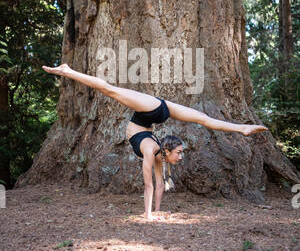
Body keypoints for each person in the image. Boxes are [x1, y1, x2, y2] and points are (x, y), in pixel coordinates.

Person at [42, 63, 268, 220]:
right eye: (178, 152)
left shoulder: (160, 153)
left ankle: (243, 128)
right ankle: (67, 71)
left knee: (204, 119)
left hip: (159, 111)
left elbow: (160, 184)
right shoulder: (151, 151)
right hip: (151, 109)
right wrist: (147, 216)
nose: (180, 156)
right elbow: (148, 185)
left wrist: (157, 212)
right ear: (167, 150)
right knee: (109, 90)